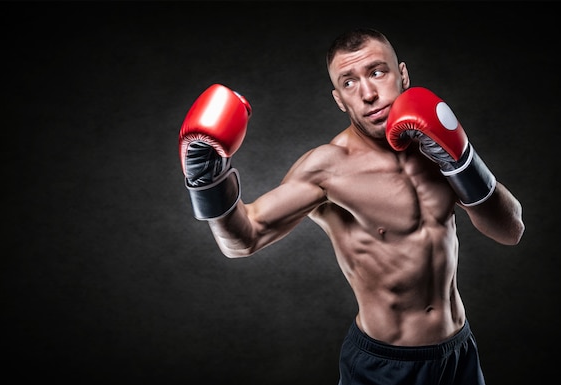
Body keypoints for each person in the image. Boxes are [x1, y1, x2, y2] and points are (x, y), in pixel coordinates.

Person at [178, 28, 524, 385]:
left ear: (402, 74)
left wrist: (461, 163)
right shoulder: (327, 169)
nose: (369, 94)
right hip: (385, 366)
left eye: (377, 72)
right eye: (349, 83)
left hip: (458, 354)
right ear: (339, 100)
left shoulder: (435, 140)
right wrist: (207, 181)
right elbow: (242, 240)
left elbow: (510, 230)